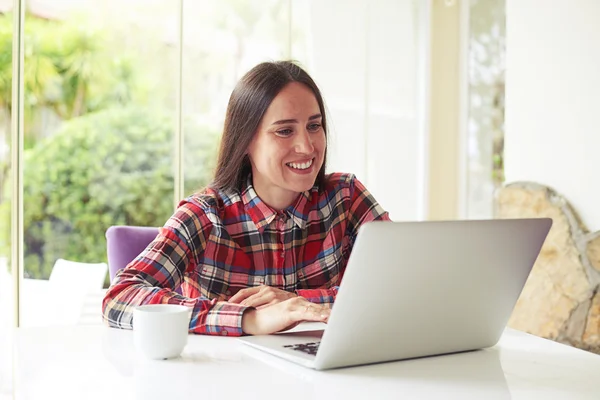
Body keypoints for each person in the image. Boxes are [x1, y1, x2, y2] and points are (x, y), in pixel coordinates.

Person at [102, 60, 391, 336]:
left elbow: (404, 286)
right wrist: (250, 319)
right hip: (222, 380)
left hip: (325, 376)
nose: (306, 146)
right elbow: (119, 298)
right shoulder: (205, 214)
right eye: (285, 131)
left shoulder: (347, 198)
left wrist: (294, 302)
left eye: (314, 126)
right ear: (245, 141)